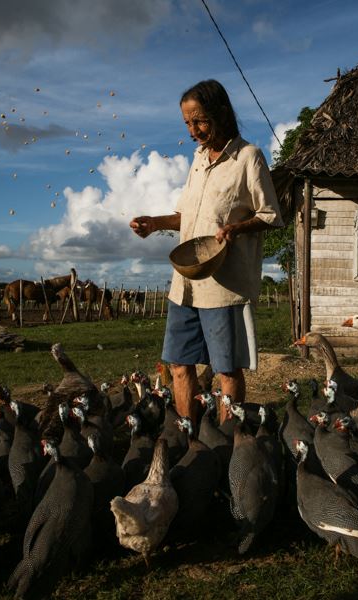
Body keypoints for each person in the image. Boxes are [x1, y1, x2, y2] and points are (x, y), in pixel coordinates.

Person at [130, 79, 283, 423]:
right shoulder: (198, 160)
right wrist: (154, 222)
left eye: (199, 121)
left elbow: (271, 216)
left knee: (227, 370)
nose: (193, 131)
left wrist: (236, 228)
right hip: (184, 285)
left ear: (222, 114)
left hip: (224, 287)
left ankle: (229, 443)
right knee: (179, 365)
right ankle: (190, 436)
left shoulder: (248, 157)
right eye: (187, 123)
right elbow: (186, 216)